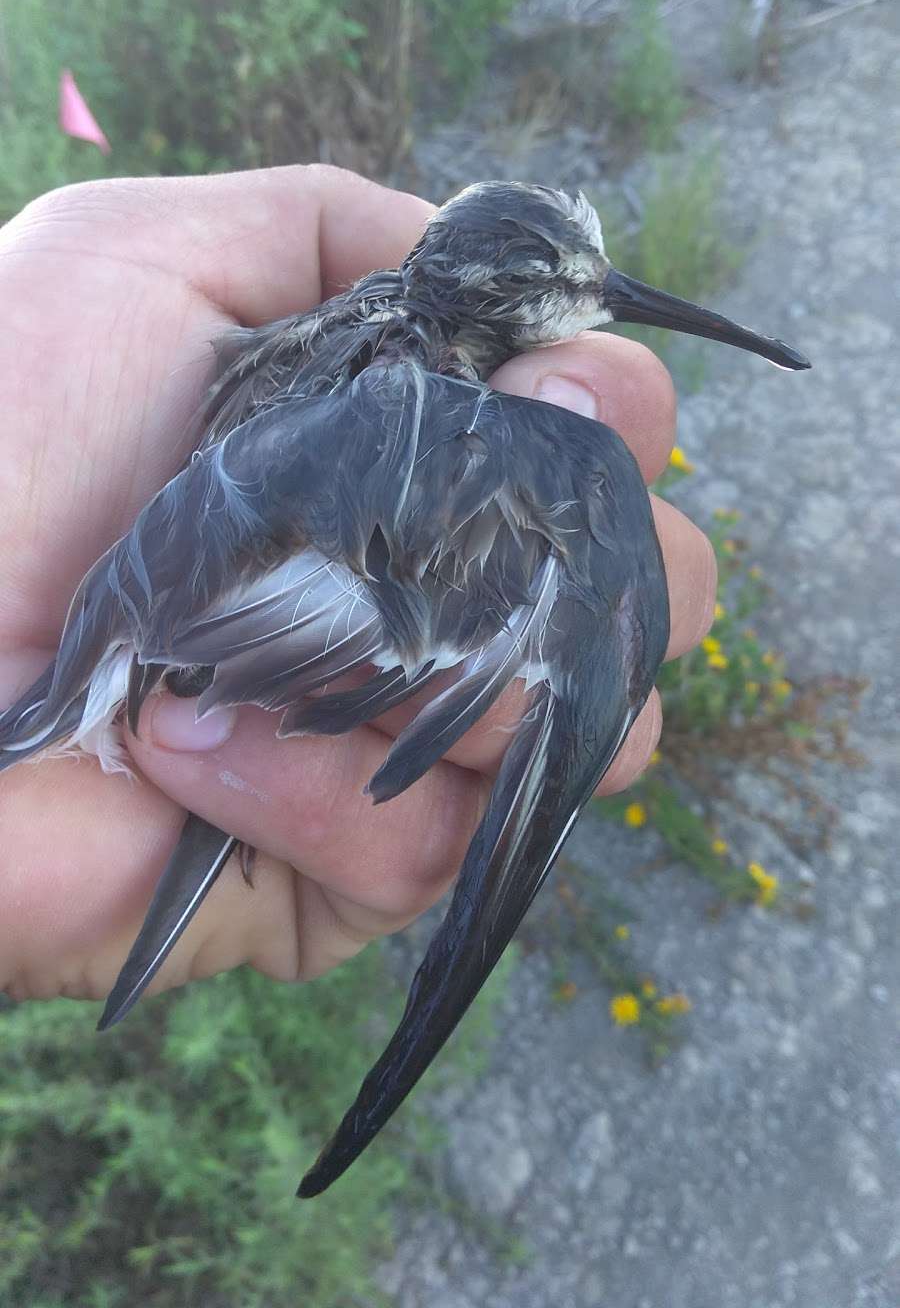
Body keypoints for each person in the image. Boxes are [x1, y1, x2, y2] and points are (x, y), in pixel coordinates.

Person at [0, 164, 715, 1005]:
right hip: (158, 643)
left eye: (587, 269)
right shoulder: (415, 401)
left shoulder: (369, 344)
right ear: (483, 298)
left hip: (165, 625)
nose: (604, 295)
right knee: (592, 528)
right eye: (541, 283)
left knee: (587, 520)